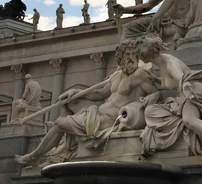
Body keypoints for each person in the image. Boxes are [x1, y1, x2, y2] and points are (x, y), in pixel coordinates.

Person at [15, 41, 160, 166]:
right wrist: (77, 92)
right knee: (68, 102)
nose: (131, 58)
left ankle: (35, 156)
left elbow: (156, 93)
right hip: (96, 112)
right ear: (120, 58)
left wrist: (140, 104)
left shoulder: (140, 75)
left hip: (109, 121)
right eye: (127, 55)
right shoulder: (116, 76)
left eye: (134, 54)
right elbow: (99, 94)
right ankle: (62, 150)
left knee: (60, 124)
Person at [134, 36, 202, 160]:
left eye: (139, 56)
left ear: (146, 55)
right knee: (150, 111)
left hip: (194, 92)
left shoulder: (170, 63)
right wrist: (156, 79)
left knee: (189, 120)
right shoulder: (161, 63)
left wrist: (185, 87)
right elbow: (172, 82)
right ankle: (177, 127)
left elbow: (182, 79)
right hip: (183, 97)